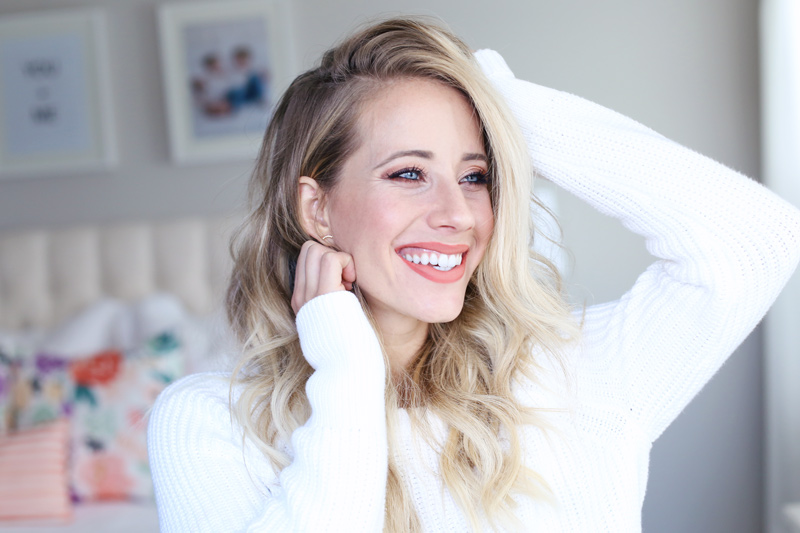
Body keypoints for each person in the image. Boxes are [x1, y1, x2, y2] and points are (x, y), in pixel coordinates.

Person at [148, 17, 800, 532]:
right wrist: (346, 375)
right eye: (408, 173)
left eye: (474, 175)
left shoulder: (573, 378)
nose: (458, 214)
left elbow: (757, 240)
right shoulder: (212, 426)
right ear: (316, 207)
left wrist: (505, 104)